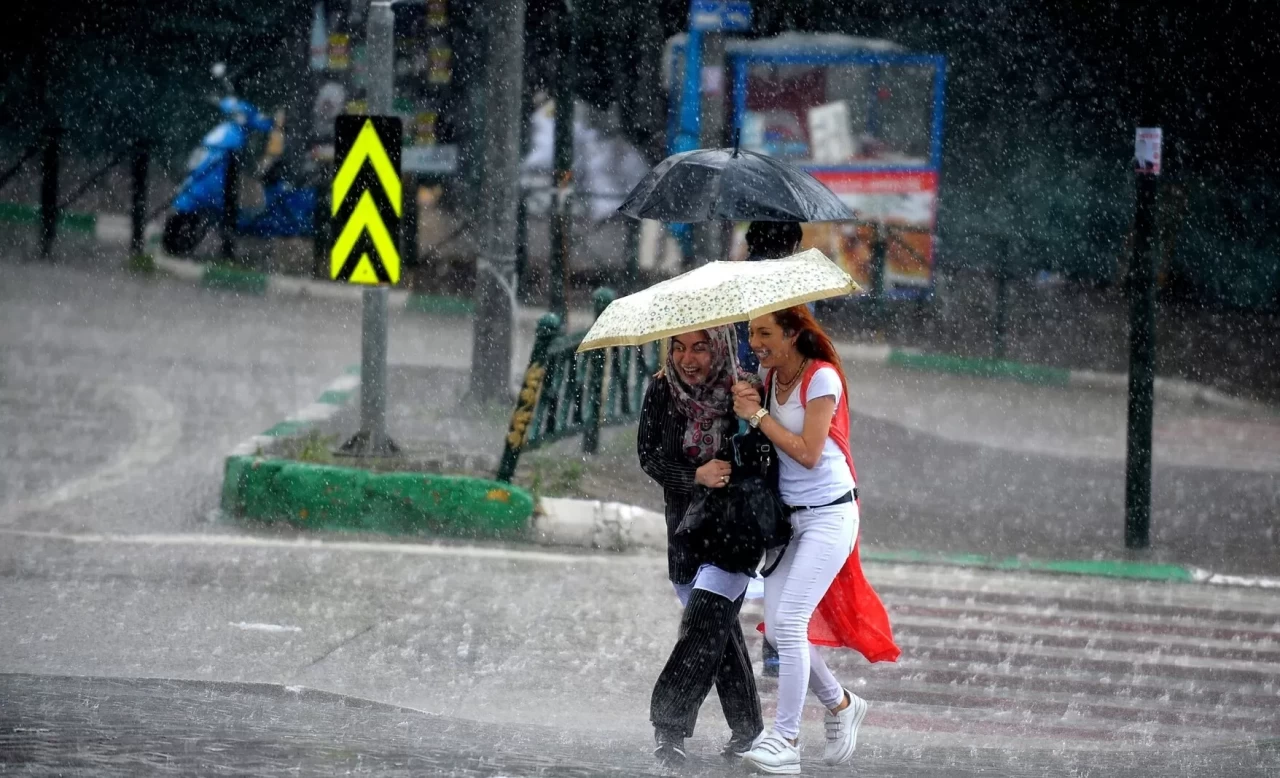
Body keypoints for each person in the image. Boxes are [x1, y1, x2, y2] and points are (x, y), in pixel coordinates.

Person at [730, 305, 900, 775]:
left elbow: (807, 453)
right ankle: (842, 704)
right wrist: (750, 406)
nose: (755, 342)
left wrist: (759, 413)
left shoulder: (820, 377)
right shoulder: (770, 380)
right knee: (780, 626)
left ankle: (785, 740)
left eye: (765, 333)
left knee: (790, 626)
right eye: (751, 333)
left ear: (792, 335)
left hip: (830, 516)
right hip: (790, 523)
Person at [637, 326, 765, 767]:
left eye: (700, 347)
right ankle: (749, 731)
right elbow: (649, 455)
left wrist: (751, 418)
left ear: (721, 347)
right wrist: (696, 474)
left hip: (734, 532)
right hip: (684, 532)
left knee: (702, 626)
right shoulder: (661, 390)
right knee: (719, 634)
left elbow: (765, 459)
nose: (687, 359)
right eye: (679, 347)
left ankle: (668, 727)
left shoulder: (745, 389)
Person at [736, 221, 804, 373]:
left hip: (739, 373)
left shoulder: (736, 278)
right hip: (780, 374)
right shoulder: (798, 284)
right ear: (792, 245)